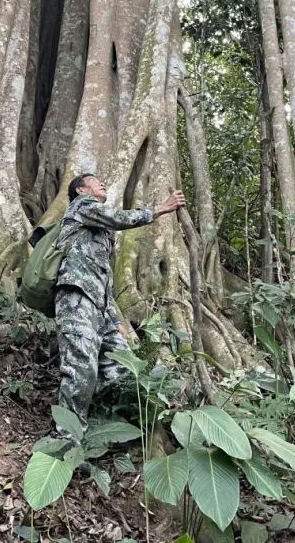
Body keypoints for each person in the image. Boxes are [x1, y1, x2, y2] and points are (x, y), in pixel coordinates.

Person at [54, 173, 186, 431]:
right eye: (94, 180)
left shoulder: (99, 231)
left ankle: (112, 425)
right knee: (80, 368)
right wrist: (161, 208)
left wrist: (115, 321)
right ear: (81, 190)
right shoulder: (82, 207)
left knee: (123, 367)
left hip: (99, 305)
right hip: (76, 297)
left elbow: (105, 278)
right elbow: (119, 218)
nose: (102, 182)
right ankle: (68, 440)